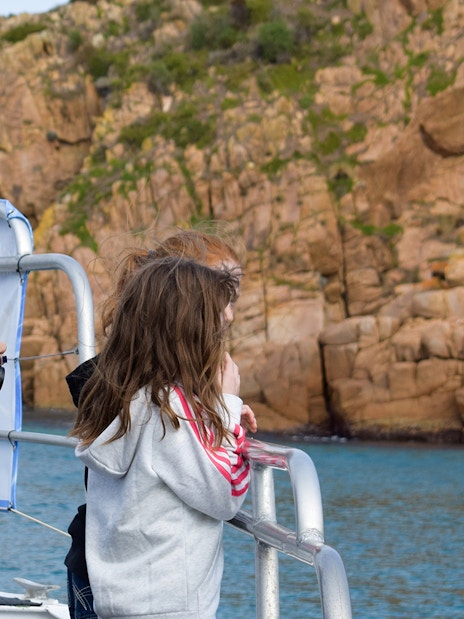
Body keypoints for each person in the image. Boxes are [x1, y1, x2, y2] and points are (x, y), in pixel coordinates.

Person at [64, 230, 257, 619]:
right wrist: (228, 408)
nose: (228, 318)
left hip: (113, 601)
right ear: (189, 331)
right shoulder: (172, 412)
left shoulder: (121, 399)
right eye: (219, 306)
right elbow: (226, 490)